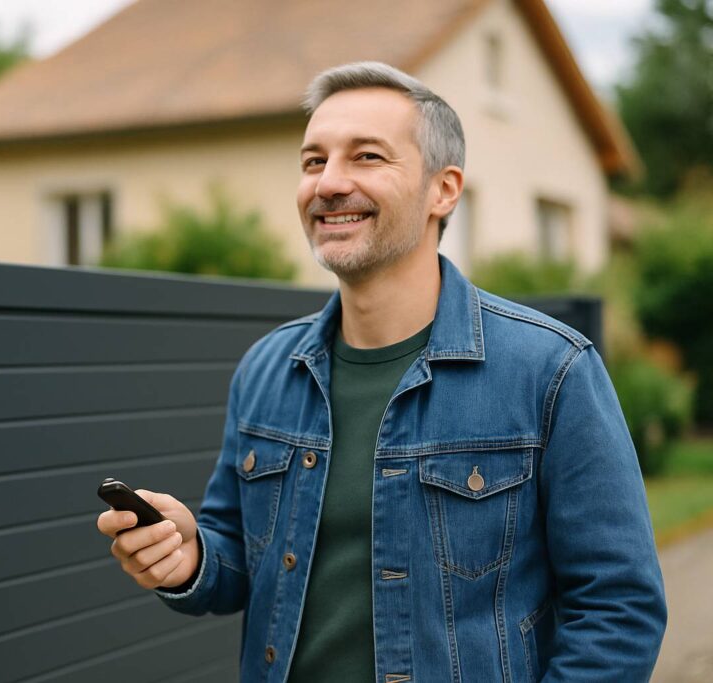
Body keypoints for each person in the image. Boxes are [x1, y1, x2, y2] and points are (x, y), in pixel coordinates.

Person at [96, 61, 666, 682]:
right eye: (314, 161)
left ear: (444, 189)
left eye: (366, 156)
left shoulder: (552, 370)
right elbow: (241, 556)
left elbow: (618, 608)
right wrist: (191, 556)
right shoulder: (266, 368)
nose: (329, 183)